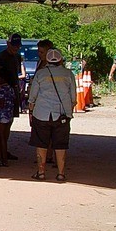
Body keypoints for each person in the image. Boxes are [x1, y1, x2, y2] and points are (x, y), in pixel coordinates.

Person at [26, 41, 79, 182]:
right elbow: (74, 97)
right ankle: (61, 173)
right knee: (60, 144)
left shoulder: (41, 74)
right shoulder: (68, 74)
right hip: (62, 115)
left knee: (41, 144)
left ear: (47, 59)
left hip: (41, 114)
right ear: (61, 59)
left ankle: (41, 172)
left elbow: (32, 97)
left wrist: (31, 112)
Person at [0, 35, 24, 166]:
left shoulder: (17, 57)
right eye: (13, 46)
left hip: (11, 92)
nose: (15, 48)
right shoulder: (0, 57)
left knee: (7, 125)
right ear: (8, 44)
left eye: (18, 46)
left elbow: (16, 75)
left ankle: (2, 152)